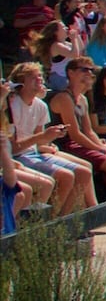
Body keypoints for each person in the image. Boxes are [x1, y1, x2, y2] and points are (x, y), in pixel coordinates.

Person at [9, 62, 94, 215]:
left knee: (83, 172)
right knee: (66, 176)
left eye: (40, 76)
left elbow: (39, 141)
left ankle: (63, 222)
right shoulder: (12, 106)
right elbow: (14, 148)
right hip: (18, 156)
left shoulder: (40, 105)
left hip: (34, 153)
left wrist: (51, 137)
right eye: (33, 77)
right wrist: (42, 137)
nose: (39, 79)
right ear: (22, 81)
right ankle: (48, 223)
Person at [47, 57, 106, 200]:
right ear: (71, 73)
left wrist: (103, 147)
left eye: (91, 70)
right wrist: (102, 150)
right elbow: (75, 134)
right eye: (84, 70)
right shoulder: (64, 98)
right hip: (64, 145)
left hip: (78, 143)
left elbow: (89, 131)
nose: (89, 73)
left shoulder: (83, 99)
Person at [0, 74, 56, 230]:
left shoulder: (6, 115)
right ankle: (18, 234)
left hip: (12, 160)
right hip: (15, 158)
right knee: (29, 189)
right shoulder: (12, 107)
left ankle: (23, 234)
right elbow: (14, 147)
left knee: (27, 190)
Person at [28, 22, 80, 93]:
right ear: (56, 32)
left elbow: (81, 50)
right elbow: (74, 54)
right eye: (63, 27)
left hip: (65, 76)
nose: (67, 29)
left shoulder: (65, 44)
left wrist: (77, 35)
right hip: (59, 77)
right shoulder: (56, 45)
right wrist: (73, 39)